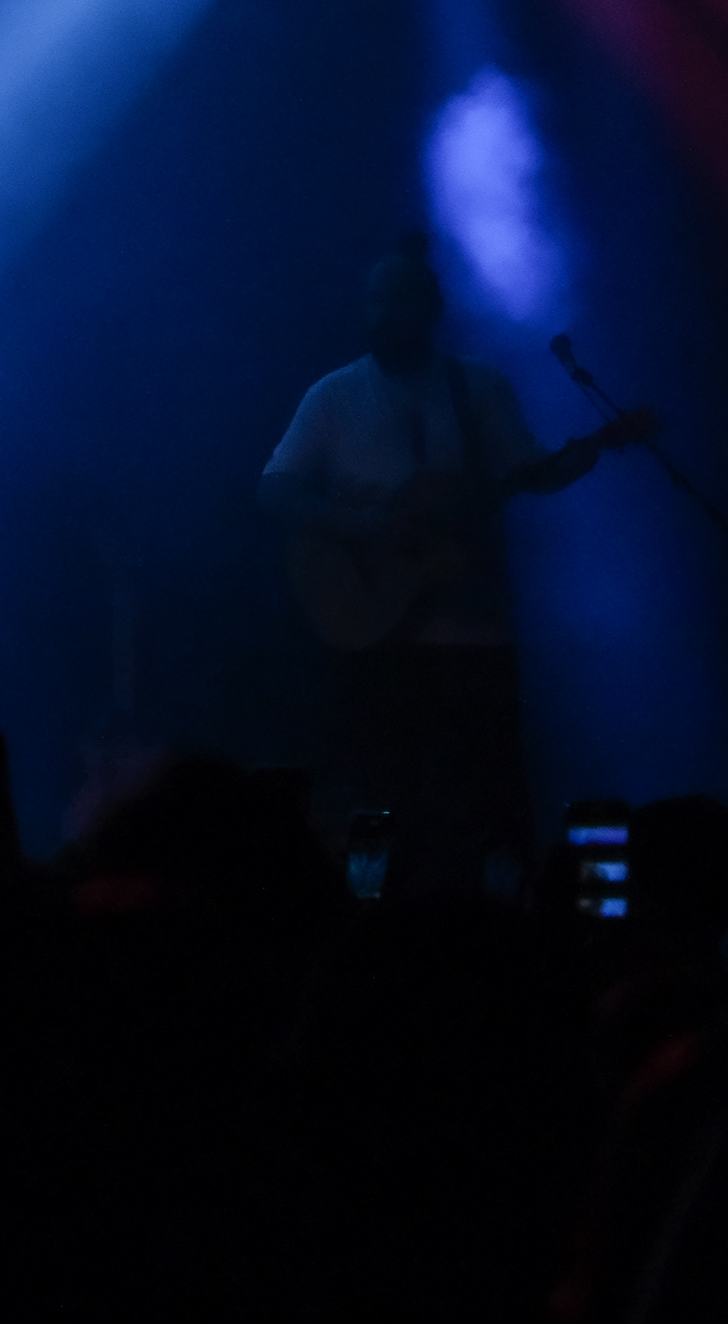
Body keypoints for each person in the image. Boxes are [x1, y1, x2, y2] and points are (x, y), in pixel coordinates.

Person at [258, 237, 647, 897]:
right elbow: (274, 492)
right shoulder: (335, 394)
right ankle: (374, 915)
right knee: (381, 790)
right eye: (375, 298)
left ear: (432, 307)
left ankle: (501, 915)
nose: (385, 311)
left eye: (399, 297)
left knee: (491, 790)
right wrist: (364, 525)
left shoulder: (479, 387)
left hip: (474, 629)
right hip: (373, 631)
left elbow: (531, 471)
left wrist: (594, 448)